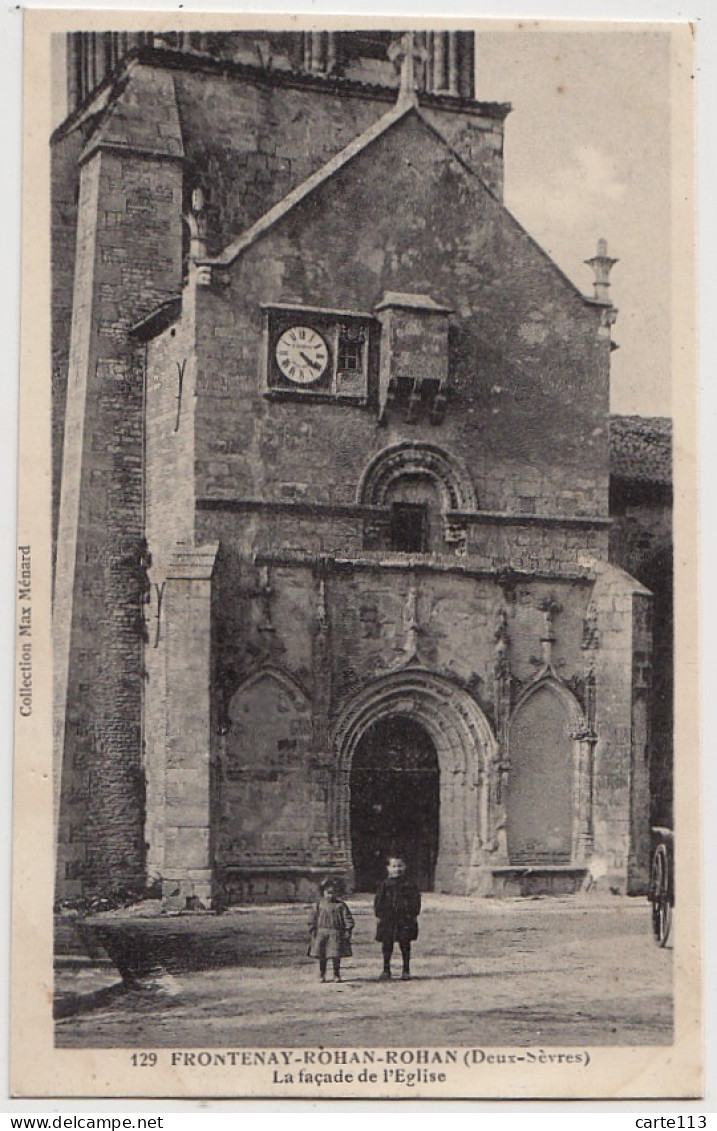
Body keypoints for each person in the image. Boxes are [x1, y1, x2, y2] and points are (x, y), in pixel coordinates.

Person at [374, 855, 421, 981]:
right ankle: (386, 969)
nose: (397, 869)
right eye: (394, 866)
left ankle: (406, 970)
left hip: (404, 919)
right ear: (388, 868)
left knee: (405, 944)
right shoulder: (384, 885)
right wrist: (379, 914)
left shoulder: (409, 885)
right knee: (387, 944)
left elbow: (416, 900)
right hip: (388, 919)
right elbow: (378, 901)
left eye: (400, 866)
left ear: (405, 867)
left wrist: (413, 914)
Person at [307, 877, 355, 982]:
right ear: (323, 892)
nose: (330, 895)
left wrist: (348, 930)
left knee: (335, 955)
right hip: (322, 933)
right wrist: (312, 928)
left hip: (336, 934)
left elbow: (348, 919)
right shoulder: (319, 905)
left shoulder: (341, 906)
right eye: (328, 893)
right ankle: (322, 974)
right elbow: (312, 917)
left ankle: (336, 974)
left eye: (334, 893)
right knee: (322, 955)